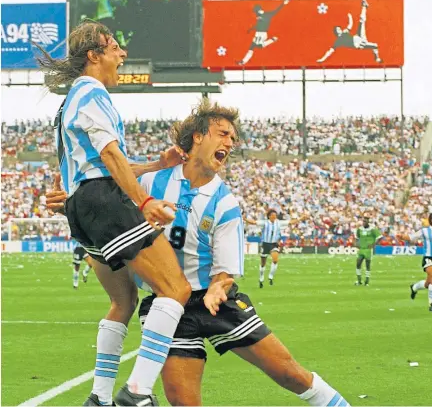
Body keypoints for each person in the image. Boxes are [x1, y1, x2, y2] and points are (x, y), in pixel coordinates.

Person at [47, 99, 350, 407]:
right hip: (169, 309)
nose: (230, 143)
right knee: (183, 402)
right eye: (223, 134)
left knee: (291, 376)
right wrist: (68, 200)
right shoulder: (152, 181)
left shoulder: (225, 203)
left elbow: (225, 272)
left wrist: (218, 289)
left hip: (215, 303)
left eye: (233, 138)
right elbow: (100, 198)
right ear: (198, 136)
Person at [36, 19, 193, 406]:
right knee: (176, 289)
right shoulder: (93, 93)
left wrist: (156, 165)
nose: (123, 55)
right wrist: (144, 201)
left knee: (123, 301)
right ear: (94, 55)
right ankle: (136, 392)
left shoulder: (70, 100)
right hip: (105, 202)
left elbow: (100, 165)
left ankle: (100, 397)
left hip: (84, 208)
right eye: (116, 48)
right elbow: (109, 156)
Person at [245, 209, 307, 288]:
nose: (274, 217)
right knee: (263, 263)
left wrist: (301, 218)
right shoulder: (265, 223)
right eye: (272, 215)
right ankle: (261, 278)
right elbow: (254, 222)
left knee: (275, 260)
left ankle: (270, 277)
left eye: (275, 215)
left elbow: (291, 222)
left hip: (274, 244)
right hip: (265, 244)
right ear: (269, 216)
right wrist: (245, 219)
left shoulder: (279, 223)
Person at [316, 0, 382, 64]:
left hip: (358, 36)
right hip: (358, 43)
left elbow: (350, 25)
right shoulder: (338, 41)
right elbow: (330, 51)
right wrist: (322, 59)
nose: (340, 29)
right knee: (375, 45)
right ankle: (377, 58)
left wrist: (350, 16)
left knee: (361, 21)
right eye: (338, 29)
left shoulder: (344, 32)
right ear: (336, 32)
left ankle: (364, 6)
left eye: (340, 28)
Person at [237, 0, 289, 66]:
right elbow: (258, 25)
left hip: (262, 34)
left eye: (256, 11)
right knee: (254, 46)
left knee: (255, 46)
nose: (256, 13)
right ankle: (243, 61)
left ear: (259, 10)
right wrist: (251, 29)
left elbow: (276, 11)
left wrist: (283, 4)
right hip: (258, 33)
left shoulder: (267, 15)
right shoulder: (258, 15)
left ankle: (243, 61)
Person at [354, 216, 381, 286]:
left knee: (367, 265)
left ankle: (367, 281)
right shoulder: (359, 229)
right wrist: (356, 244)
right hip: (361, 249)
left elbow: (379, 237)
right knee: (358, 264)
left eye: (365, 221)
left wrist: (373, 245)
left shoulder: (373, 229)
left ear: (368, 222)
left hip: (368, 250)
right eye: (363, 221)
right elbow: (357, 238)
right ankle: (359, 281)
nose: (364, 223)